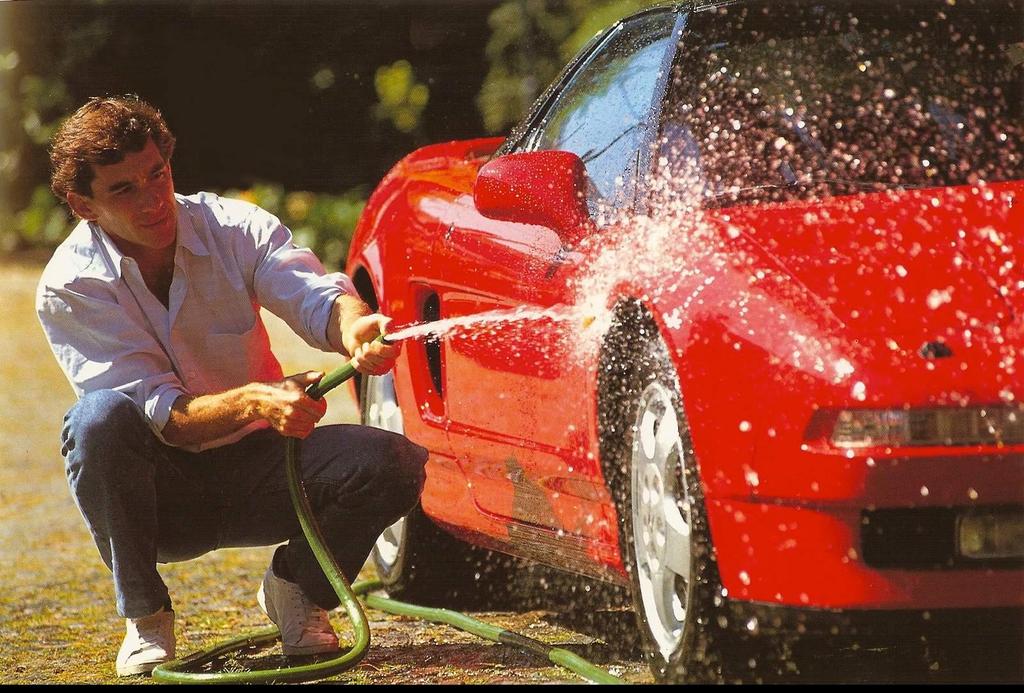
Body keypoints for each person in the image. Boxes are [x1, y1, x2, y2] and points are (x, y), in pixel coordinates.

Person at [35, 95, 429, 677]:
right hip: (161, 497)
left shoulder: (233, 225)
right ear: (82, 205)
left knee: (394, 462)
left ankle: (299, 590)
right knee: (96, 422)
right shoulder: (70, 285)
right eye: (124, 189)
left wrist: (353, 325)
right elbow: (161, 415)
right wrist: (256, 400)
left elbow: (313, 295)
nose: (152, 200)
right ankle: (145, 617)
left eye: (158, 174)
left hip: (263, 468)